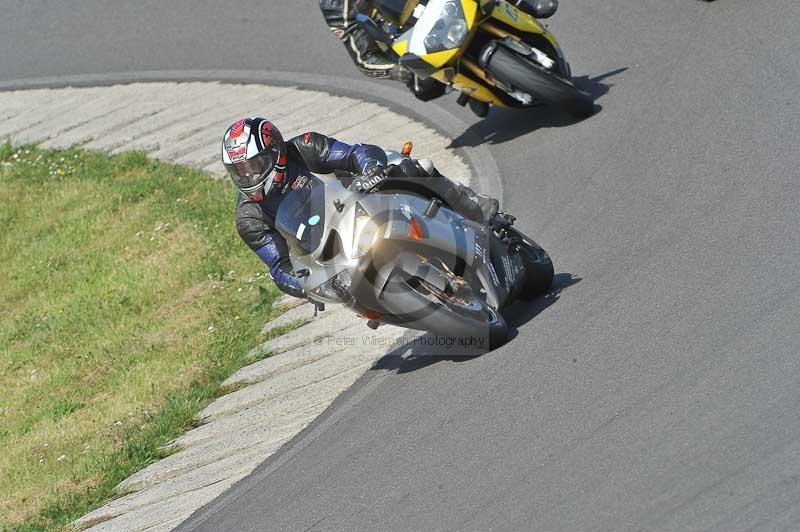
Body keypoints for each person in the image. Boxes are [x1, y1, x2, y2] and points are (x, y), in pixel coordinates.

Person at [222, 117, 498, 298]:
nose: (248, 176)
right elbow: (280, 267)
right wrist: (309, 287)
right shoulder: (249, 218)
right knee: (347, 295)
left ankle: (467, 203)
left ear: (275, 152)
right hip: (334, 252)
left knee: (406, 166)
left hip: (364, 198)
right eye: (240, 170)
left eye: (254, 165)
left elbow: (355, 153)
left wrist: (371, 168)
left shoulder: (305, 147)